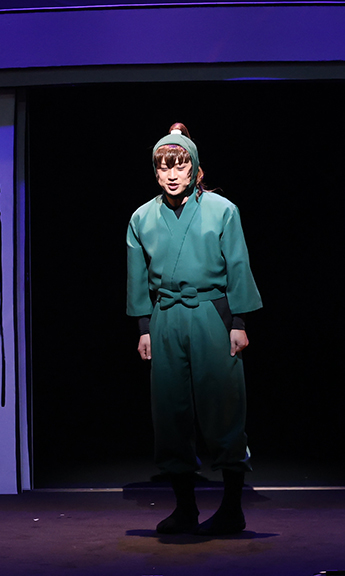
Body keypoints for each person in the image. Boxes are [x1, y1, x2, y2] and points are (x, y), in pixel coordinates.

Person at [126, 123, 262, 535]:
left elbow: (237, 264)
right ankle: (185, 508)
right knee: (170, 410)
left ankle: (232, 509)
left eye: (180, 165)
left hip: (210, 313)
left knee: (223, 404)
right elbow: (137, 276)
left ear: (195, 167)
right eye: (163, 167)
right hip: (166, 315)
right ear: (155, 171)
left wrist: (238, 321)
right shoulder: (141, 217)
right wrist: (144, 327)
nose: (171, 174)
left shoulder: (222, 210)